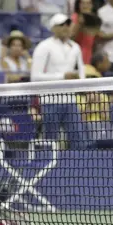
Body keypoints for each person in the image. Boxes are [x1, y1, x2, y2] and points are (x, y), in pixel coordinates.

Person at [30, 13, 85, 149]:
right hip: (50, 100)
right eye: (61, 25)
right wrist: (62, 76)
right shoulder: (44, 46)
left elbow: (81, 72)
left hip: (70, 100)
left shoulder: (76, 47)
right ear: (53, 28)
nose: (66, 27)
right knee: (50, 140)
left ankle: (79, 168)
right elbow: (35, 76)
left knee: (78, 139)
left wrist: (83, 85)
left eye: (68, 24)